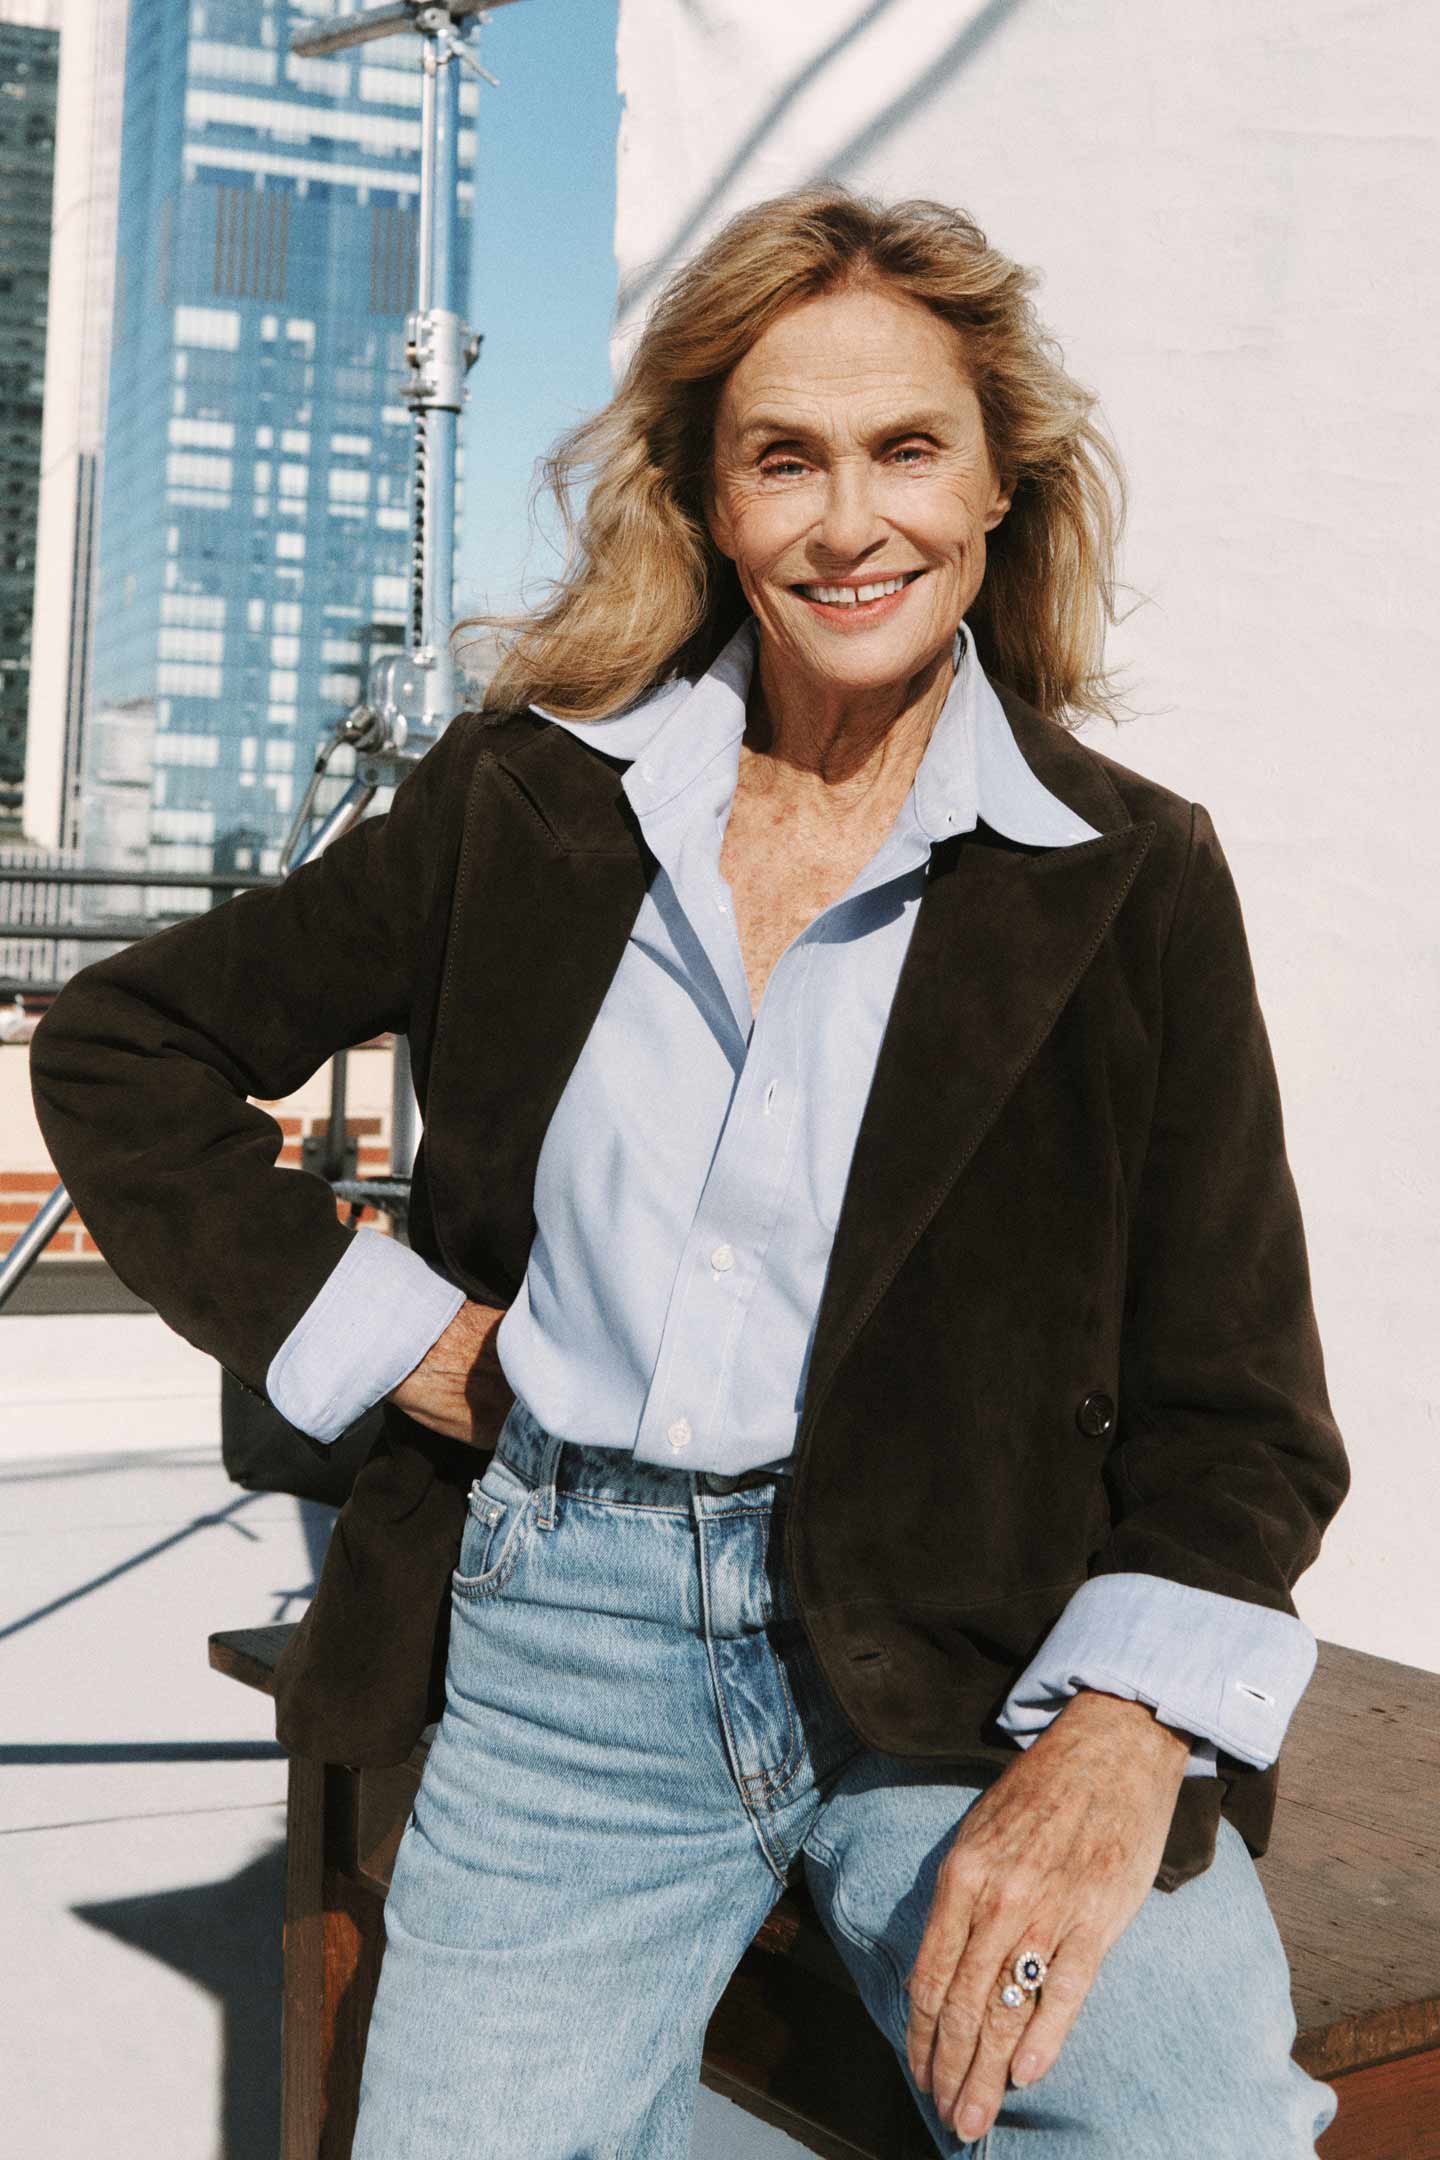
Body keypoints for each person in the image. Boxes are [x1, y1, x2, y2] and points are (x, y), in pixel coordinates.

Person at [29, 185, 1349, 2156]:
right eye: (782, 459)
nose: (848, 521)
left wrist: (1122, 1732)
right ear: (710, 503)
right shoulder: (526, 801)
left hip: (969, 1661)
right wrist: (403, 1337)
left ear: (1000, 486)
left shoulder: (1127, 878)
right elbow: (126, 1051)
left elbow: (1241, 1417)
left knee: (1196, 2134)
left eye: (909, 449)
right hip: (571, 1643)